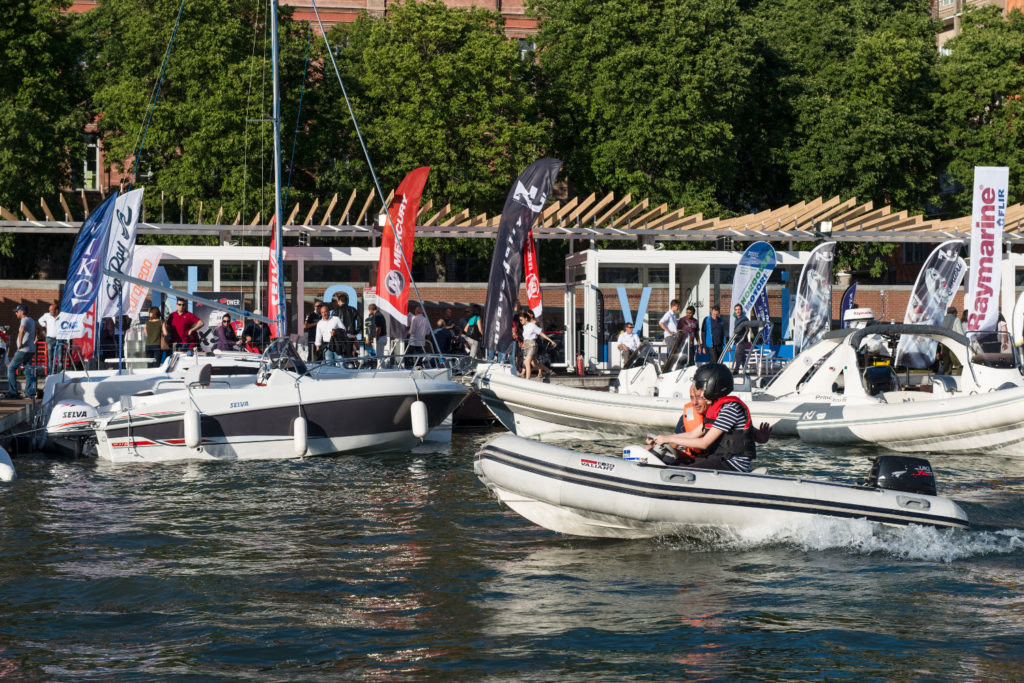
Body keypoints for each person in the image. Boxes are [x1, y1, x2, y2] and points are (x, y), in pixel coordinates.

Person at [648, 363, 761, 472]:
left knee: (680, 470)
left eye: (702, 388)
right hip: (720, 459)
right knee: (672, 462)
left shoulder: (730, 409)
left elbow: (704, 443)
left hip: (732, 464)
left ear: (714, 386)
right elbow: (693, 435)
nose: (701, 394)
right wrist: (662, 438)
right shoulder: (717, 409)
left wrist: (670, 439)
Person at [5, 304, 37, 399]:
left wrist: (20, 343)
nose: (16, 313)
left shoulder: (24, 320)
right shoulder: (31, 320)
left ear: (22, 312)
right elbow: (38, 327)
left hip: (23, 350)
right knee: (28, 370)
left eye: (17, 311)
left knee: (11, 368)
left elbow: (22, 329)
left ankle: (13, 392)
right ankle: (29, 392)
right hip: (31, 350)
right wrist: (36, 338)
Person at [519, 311, 555, 379]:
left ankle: (527, 380)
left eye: (521, 319)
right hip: (526, 345)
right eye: (520, 320)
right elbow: (525, 337)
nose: (520, 321)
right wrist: (523, 344)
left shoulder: (532, 326)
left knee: (527, 362)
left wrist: (551, 341)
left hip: (532, 345)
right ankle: (548, 370)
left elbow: (541, 333)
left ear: (526, 318)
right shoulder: (524, 327)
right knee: (534, 364)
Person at [37, 302, 58, 373]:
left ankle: (59, 373)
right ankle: (50, 373)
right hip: (50, 338)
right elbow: (40, 320)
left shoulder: (61, 316)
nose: (49, 311)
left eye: (51, 310)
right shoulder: (47, 315)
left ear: (56, 311)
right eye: (49, 310)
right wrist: (45, 325)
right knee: (50, 357)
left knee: (60, 357)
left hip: (59, 339)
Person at [731, 304, 750, 372]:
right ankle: (746, 369)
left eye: (739, 309)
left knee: (738, 354)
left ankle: (736, 370)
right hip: (737, 339)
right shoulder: (736, 319)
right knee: (741, 355)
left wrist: (743, 338)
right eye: (736, 310)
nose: (737, 311)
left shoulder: (744, 318)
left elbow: (747, 329)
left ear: (741, 310)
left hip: (742, 340)